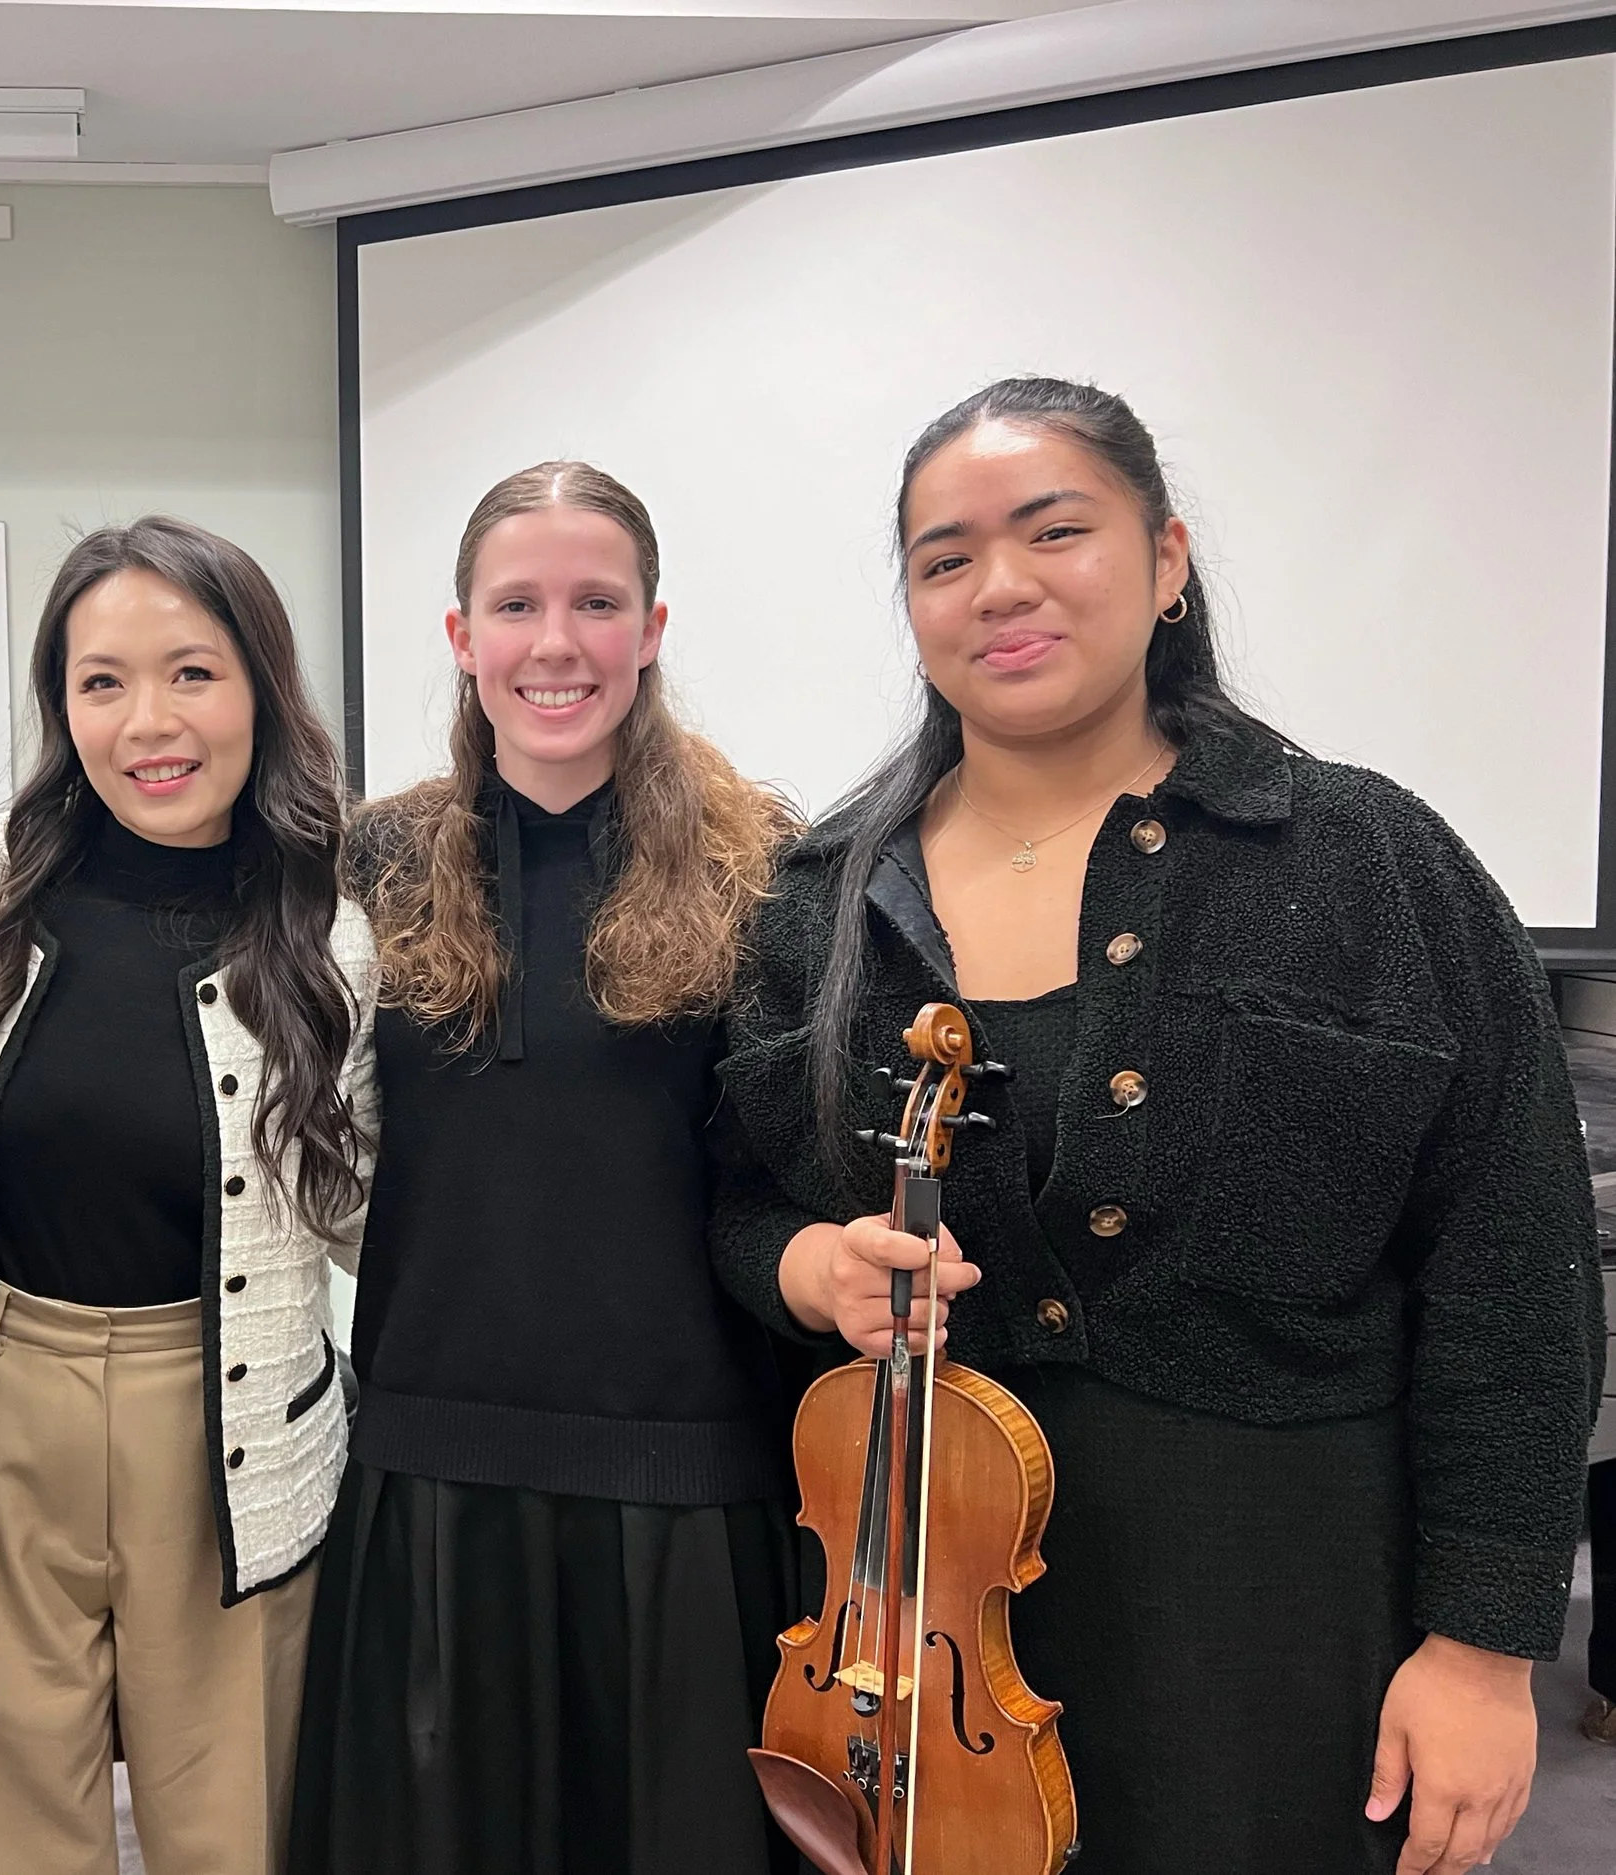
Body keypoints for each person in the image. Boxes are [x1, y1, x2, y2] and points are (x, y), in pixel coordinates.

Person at [714, 378, 1607, 1875]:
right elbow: (734, 1196)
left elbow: (1513, 1267)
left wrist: (1486, 1645)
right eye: (944, 559)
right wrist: (803, 1261)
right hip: (927, 1611)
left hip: (1282, 1600)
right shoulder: (822, 904)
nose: (1000, 585)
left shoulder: (1368, 859)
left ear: (1167, 559)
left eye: (1054, 529)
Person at [289, 462, 806, 1875]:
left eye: (596, 602)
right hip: (430, 1482)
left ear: (651, 627)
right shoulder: (367, 861)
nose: (556, 642)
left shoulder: (767, 867)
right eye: (517, 604)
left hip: (686, 1489)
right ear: (463, 636)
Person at [0, 516, 375, 1875]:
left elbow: (365, 1203)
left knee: (236, 1823)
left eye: (192, 673)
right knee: (5, 1824)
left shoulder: (336, 920)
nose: (147, 720)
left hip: (231, 1410)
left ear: (261, 691)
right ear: (61, 703)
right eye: (101, 680)